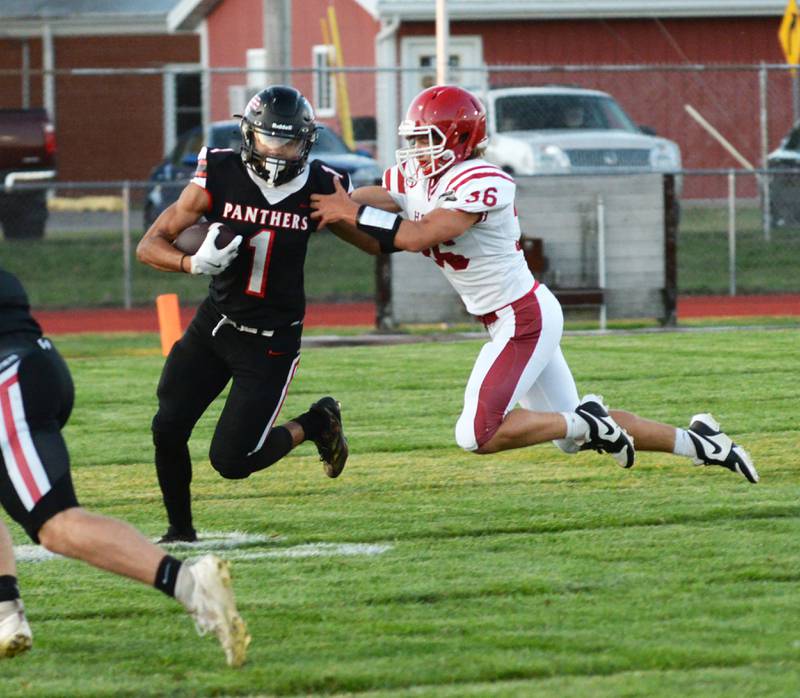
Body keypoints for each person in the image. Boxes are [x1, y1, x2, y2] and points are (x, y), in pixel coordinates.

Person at [309, 84, 758, 484]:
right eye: (413, 140)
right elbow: (369, 234)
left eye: (426, 140)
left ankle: (590, 421)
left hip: (522, 317)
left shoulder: (482, 180)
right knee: (569, 436)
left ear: (461, 139)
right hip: (510, 317)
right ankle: (703, 442)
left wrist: (347, 211)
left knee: (476, 434)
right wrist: (323, 210)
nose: (415, 151)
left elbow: (414, 236)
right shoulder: (416, 178)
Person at [0, 267, 249, 665]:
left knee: (57, 525)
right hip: (32, 364)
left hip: (10, 381)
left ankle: (191, 584)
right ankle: (5, 612)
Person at [136, 85, 351, 544]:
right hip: (217, 323)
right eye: (269, 140)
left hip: (271, 341)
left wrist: (400, 220)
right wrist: (189, 263)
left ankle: (316, 422)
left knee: (232, 462)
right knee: (167, 425)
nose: (277, 152)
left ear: (306, 141)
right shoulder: (218, 171)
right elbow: (149, 244)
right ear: (248, 136)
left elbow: (374, 240)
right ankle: (180, 530)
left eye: (289, 141)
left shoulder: (321, 186)